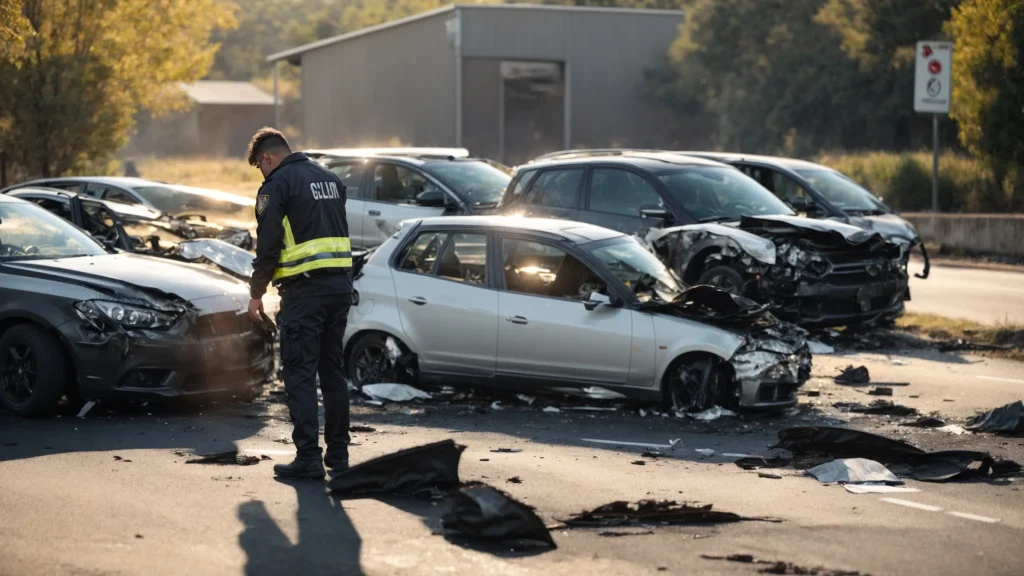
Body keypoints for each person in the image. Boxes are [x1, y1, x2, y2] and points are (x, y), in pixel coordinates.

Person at [246, 127, 353, 479]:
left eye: (260, 167)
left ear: (267, 158)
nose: (263, 174)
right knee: (332, 373)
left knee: (300, 374)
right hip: (339, 288)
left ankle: (308, 457)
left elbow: (269, 244)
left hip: (305, 294)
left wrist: (256, 292)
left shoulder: (276, 185)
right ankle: (338, 454)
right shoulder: (330, 179)